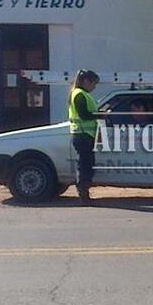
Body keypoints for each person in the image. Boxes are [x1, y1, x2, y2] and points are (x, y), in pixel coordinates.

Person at [68, 69, 103, 205]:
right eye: (93, 83)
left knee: (87, 165)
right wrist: (100, 115)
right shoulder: (79, 95)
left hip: (85, 135)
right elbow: (84, 115)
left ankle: (84, 192)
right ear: (86, 81)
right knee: (84, 166)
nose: (94, 87)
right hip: (82, 135)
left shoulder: (83, 94)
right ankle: (83, 194)